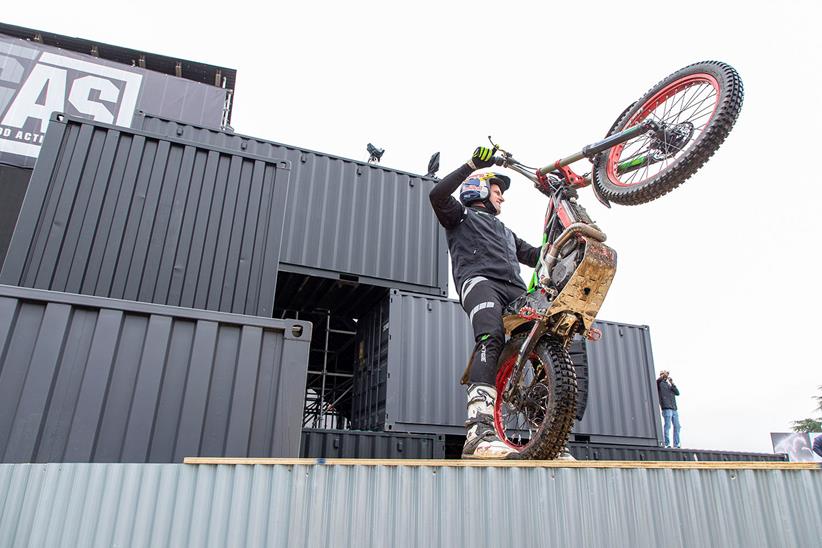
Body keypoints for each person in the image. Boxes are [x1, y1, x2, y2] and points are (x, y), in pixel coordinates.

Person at [429, 146, 542, 459]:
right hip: (480, 284)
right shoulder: (460, 216)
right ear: (479, 189)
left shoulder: (506, 231)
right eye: (497, 190)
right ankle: (478, 432)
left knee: (544, 343)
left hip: (516, 291)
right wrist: (470, 165)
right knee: (490, 336)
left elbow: (537, 256)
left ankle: (549, 432)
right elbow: (437, 195)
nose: (502, 197)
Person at [656, 370, 681, 448]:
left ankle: (676, 444)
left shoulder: (669, 385)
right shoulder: (659, 383)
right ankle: (667, 443)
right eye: (663, 374)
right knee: (668, 425)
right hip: (666, 408)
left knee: (677, 426)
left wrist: (672, 383)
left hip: (674, 408)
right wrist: (663, 376)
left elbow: (677, 393)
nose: (666, 375)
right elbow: (657, 381)